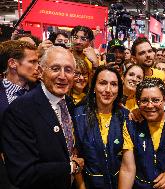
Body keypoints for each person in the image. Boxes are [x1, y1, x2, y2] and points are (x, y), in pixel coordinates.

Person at [2, 46, 84, 189]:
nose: (63, 76)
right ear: (40, 71)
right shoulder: (20, 110)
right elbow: (23, 173)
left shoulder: (68, 103)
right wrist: (70, 167)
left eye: (69, 70)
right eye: (55, 68)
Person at [73, 65, 127, 189]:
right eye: (102, 83)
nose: (108, 89)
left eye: (113, 84)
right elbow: (76, 157)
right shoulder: (78, 115)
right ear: (93, 87)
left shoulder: (126, 116)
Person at [119, 78, 165, 189]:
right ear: (138, 102)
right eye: (144, 100)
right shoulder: (131, 125)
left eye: (156, 100)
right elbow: (127, 168)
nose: (150, 105)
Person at [0, 40, 39, 189]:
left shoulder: (41, 92)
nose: (37, 67)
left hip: (39, 174)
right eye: (32, 62)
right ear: (13, 63)